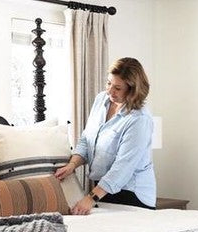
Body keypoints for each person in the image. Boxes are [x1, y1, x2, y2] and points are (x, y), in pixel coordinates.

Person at [55, 57, 156, 215]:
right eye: (108, 83)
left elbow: (122, 168)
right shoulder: (102, 100)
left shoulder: (139, 120)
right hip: (103, 190)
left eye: (117, 88)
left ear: (132, 90)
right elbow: (87, 139)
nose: (110, 91)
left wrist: (90, 198)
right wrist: (72, 165)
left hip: (131, 194)